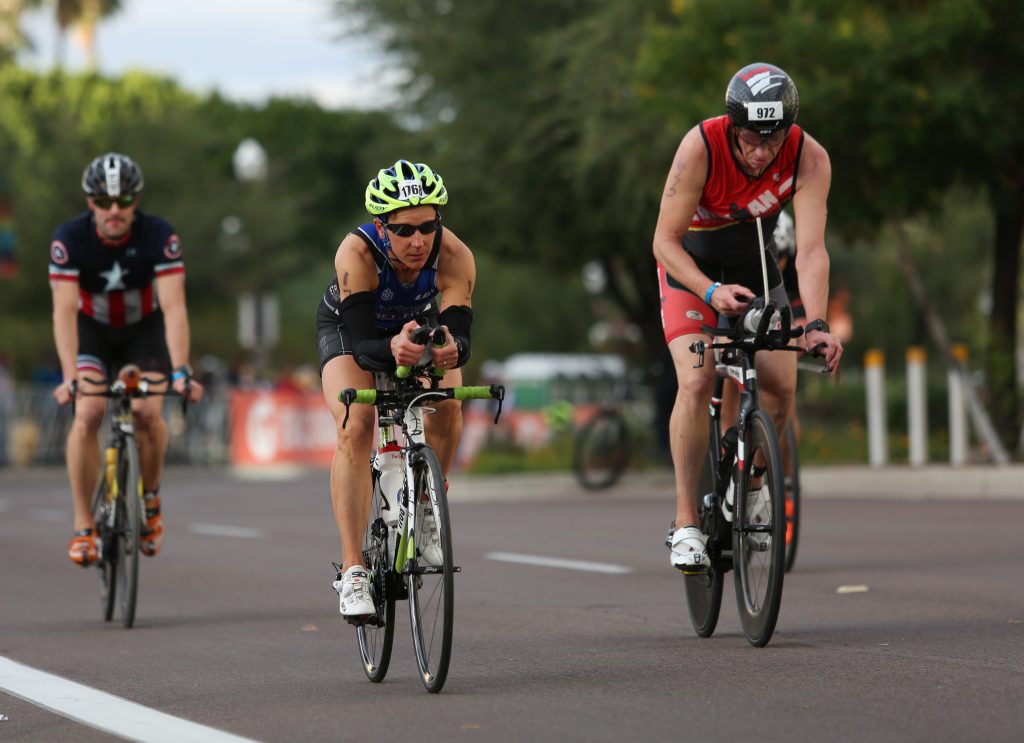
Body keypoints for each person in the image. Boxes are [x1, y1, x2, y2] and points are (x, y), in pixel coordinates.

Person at [652, 63, 843, 572]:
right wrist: (709, 291)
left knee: (781, 388)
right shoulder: (701, 147)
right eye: (750, 140)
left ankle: (751, 484)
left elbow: (810, 251)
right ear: (732, 126)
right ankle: (687, 522)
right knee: (695, 382)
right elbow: (663, 241)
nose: (761, 152)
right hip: (692, 272)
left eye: (772, 139)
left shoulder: (809, 157)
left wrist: (818, 324)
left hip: (756, 269)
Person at [317, 160, 475, 620]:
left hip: (417, 328)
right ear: (381, 227)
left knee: (446, 405)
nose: (417, 241)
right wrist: (394, 347)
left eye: (427, 227)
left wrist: (451, 349)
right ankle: (352, 569)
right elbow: (365, 346)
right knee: (357, 422)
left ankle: (427, 505)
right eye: (403, 229)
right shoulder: (356, 253)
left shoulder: (455, 255)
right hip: (354, 332)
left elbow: (461, 333)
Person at [50, 152, 204, 566]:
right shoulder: (69, 239)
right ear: (90, 203)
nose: (114, 210)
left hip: (143, 332)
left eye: (123, 201)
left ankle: (150, 500)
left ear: (136, 200)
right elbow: (64, 311)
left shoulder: (158, 234)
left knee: (146, 412)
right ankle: (84, 526)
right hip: (91, 332)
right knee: (88, 413)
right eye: (103, 201)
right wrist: (69, 377)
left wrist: (181, 370)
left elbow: (173, 307)